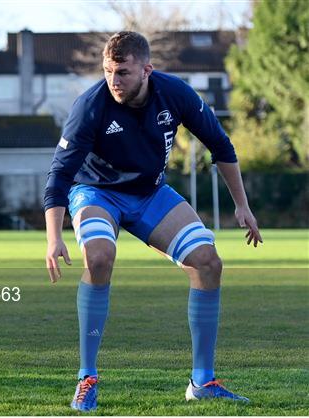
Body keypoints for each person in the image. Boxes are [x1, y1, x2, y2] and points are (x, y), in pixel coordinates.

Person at [44, 31, 262, 411]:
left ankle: (203, 380)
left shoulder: (175, 93)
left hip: (149, 193)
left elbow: (221, 145)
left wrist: (241, 205)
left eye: (123, 72)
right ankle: (86, 377)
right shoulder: (90, 106)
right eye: (108, 71)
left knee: (208, 263)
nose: (114, 80)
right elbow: (59, 175)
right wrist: (52, 238)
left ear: (147, 69)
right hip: (96, 191)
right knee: (98, 258)